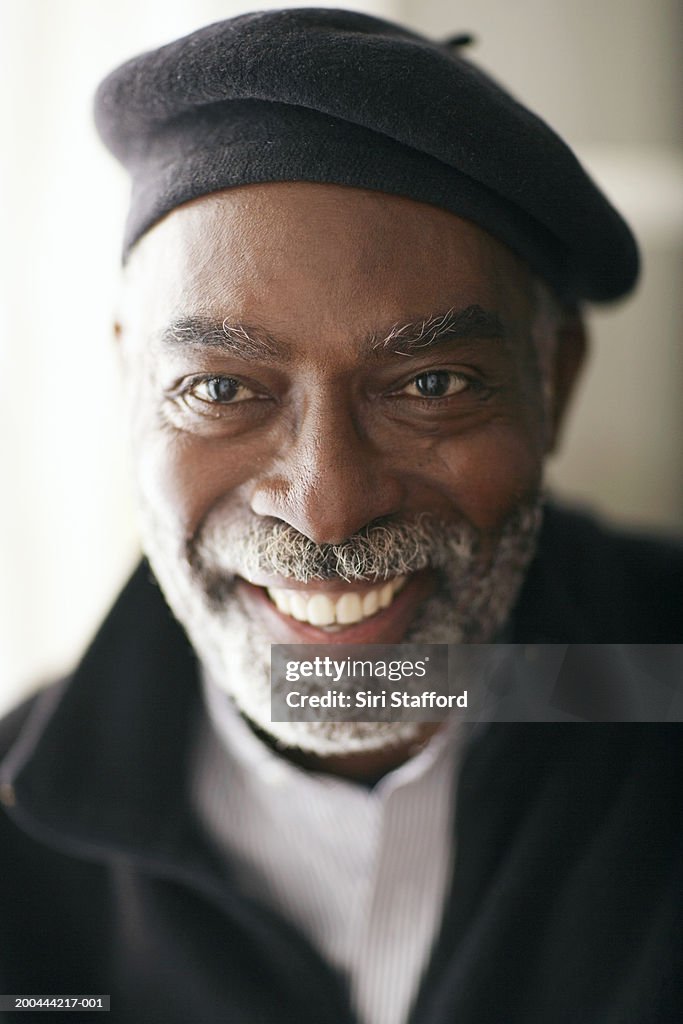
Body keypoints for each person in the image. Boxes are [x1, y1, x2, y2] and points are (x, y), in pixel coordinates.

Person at [0, 9, 681, 1023]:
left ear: (554, 383)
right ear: (129, 383)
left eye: (435, 382)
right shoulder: (19, 838)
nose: (326, 507)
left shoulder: (657, 681)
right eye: (221, 390)